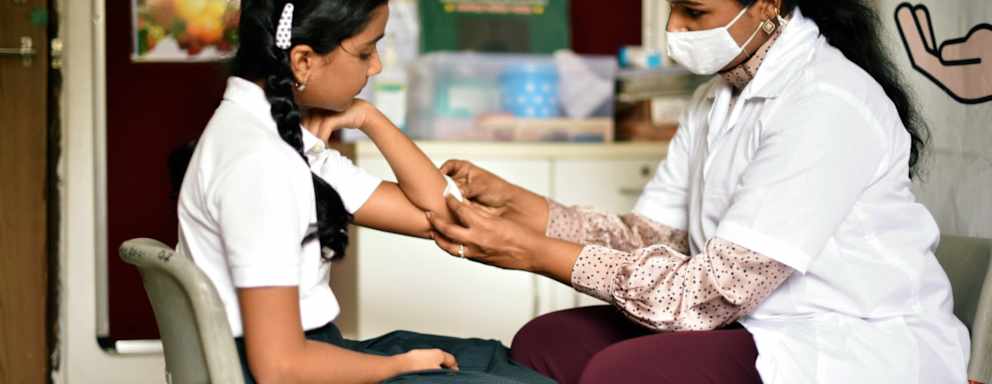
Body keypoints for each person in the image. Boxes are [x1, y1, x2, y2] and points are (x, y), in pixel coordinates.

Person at [426, 0, 970, 382]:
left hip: (840, 337)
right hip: (745, 322)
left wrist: (535, 253)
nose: (675, 30)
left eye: (694, 13)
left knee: (628, 374)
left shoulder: (827, 101)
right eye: (673, 9)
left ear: (767, 4)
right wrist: (530, 209)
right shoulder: (717, 98)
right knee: (548, 342)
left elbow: (709, 294)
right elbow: (650, 238)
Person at [176, 1, 553, 383]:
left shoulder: (275, 134)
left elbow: (445, 215)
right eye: (365, 52)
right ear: (303, 61)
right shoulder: (261, 164)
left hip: (310, 351)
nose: (376, 67)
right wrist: (397, 366)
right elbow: (279, 368)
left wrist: (370, 118)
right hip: (295, 364)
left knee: (493, 359)